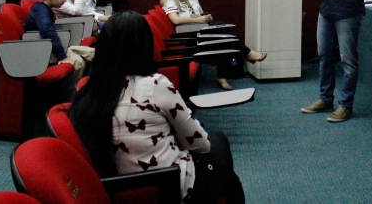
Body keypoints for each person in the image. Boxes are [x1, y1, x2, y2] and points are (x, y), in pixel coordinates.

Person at [68, 11, 245, 204]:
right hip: (166, 186)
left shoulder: (88, 92)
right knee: (221, 151)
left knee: (221, 163)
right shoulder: (154, 85)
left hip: (120, 188)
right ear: (144, 46)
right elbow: (200, 144)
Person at [160, 0, 267, 90]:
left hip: (199, 29)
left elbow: (199, 15)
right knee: (223, 31)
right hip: (188, 36)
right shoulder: (170, 0)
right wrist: (199, 20)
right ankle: (246, 55)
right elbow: (175, 20)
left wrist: (206, 18)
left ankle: (233, 66)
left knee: (224, 32)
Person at [24, 0, 93, 99]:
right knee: (78, 62)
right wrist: (62, 56)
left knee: (93, 52)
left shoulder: (45, 9)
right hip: (42, 51)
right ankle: (71, 99)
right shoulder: (40, 9)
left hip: (48, 48)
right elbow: (47, 31)